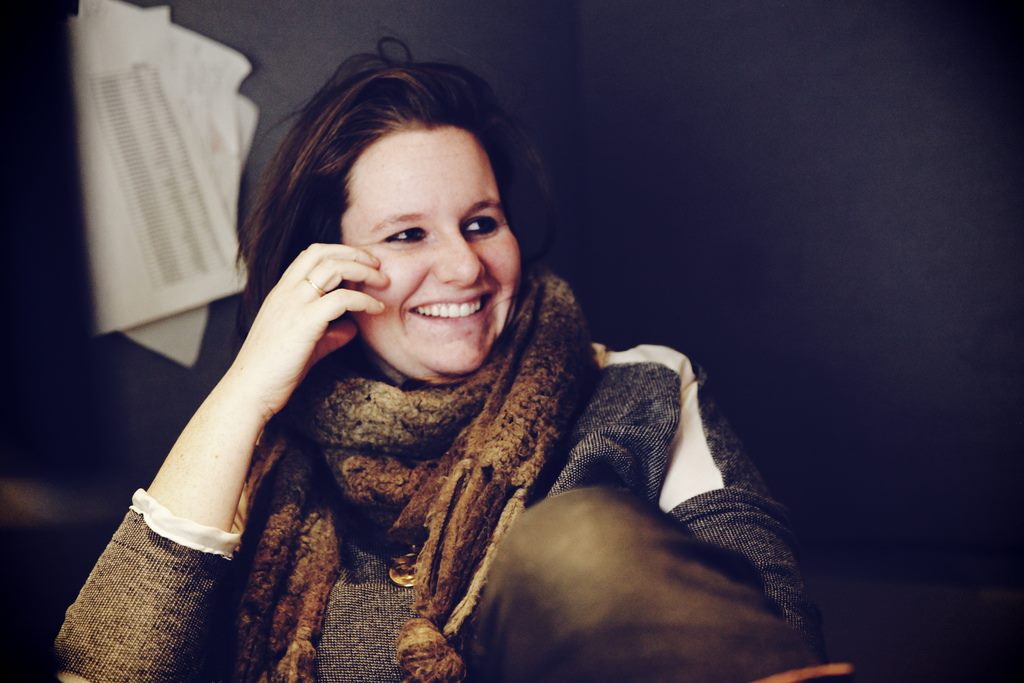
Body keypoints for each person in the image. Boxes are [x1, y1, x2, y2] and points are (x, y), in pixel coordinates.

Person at [54, 45, 850, 683]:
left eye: (481, 222)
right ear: (325, 270)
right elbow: (102, 669)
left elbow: (774, 632)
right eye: (407, 235)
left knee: (575, 541)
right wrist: (244, 392)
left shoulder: (644, 389)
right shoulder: (261, 445)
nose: (465, 268)